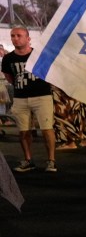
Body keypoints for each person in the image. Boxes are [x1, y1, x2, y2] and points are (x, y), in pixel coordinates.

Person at [1, 26, 56, 173]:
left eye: (19, 35)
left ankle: (51, 161)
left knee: (46, 129)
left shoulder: (40, 55)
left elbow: (51, 73)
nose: (15, 38)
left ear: (28, 38)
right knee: (23, 131)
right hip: (20, 99)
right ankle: (28, 160)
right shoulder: (8, 58)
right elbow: (9, 77)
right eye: (13, 36)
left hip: (42, 97)